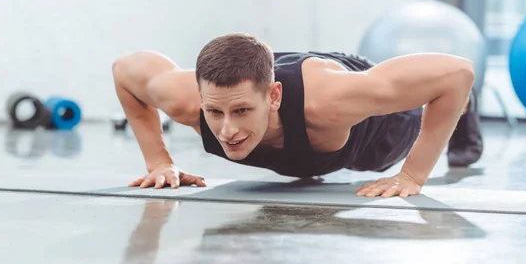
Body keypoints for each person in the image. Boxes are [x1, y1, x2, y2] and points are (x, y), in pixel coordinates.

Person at [112, 33, 483, 198]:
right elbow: (125, 70)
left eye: (242, 111)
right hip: (292, 78)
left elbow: (458, 73)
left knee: (438, 101)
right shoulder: (185, 100)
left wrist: (413, 174)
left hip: (376, 131)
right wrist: (158, 161)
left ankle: (466, 108)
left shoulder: (328, 104)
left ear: (273, 97)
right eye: (214, 112)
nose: (227, 130)